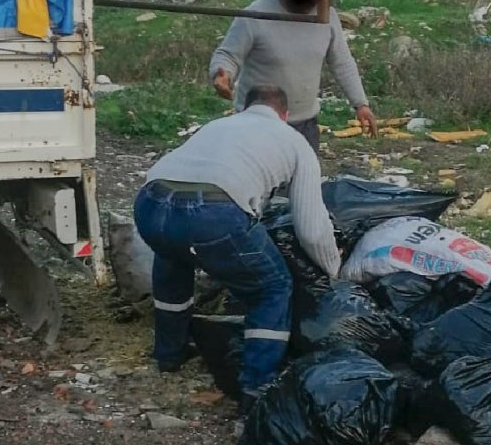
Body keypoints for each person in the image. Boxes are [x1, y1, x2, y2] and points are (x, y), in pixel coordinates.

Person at [133, 85, 341, 411]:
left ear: (244, 107)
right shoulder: (295, 141)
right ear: (284, 115)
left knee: (173, 256)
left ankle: (169, 354)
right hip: (212, 214)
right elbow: (312, 230)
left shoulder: (218, 125)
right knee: (272, 287)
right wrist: (334, 270)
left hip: (150, 205)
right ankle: (257, 386)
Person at [209, 0, 377, 153]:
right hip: (257, 123)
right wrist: (221, 75)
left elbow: (342, 62)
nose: (307, 7)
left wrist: (361, 104)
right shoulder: (256, 15)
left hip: (305, 125)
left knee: (304, 173)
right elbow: (228, 54)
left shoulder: (326, 16)